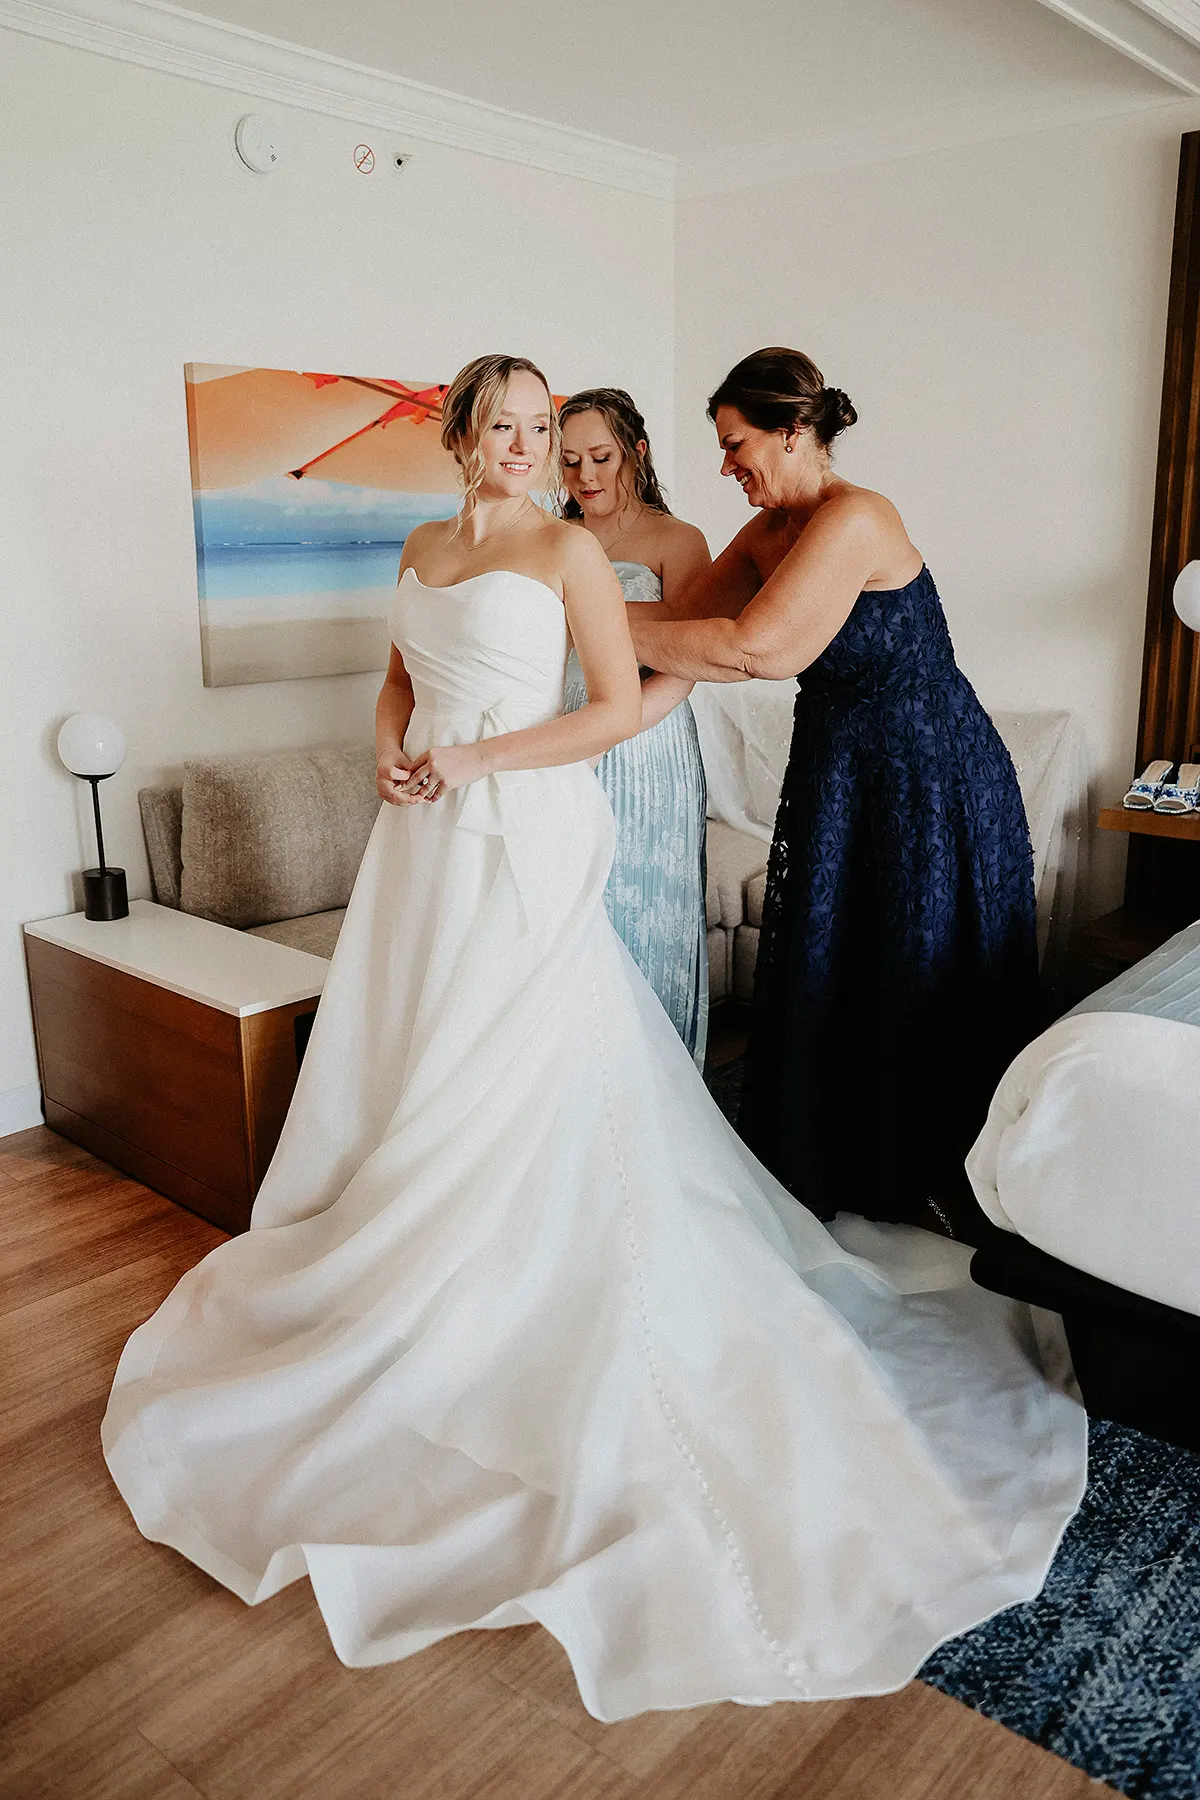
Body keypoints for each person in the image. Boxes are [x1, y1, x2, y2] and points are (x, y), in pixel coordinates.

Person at [102, 353, 1083, 1725]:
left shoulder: (824, 521)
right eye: (512, 429)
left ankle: (912, 1178)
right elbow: (565, 650)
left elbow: (735, 653)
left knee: (891, 984)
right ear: (464, 434)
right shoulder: (488, 542)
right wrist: (433, 725)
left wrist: (571, 648)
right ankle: (521, 1231)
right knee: (748, 1003)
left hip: (895, 766)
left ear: (794, 428)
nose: (539, 451)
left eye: (735, 440)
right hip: (515, 819)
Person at [631, 347, 1041, 1239]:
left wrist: (586, 626)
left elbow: (755, 649)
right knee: (838, 960)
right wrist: (558, 603)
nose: (727, 466)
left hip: (929, 777)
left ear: (791, 431)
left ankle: (932, 1174)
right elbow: (680, 619)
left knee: (913, 966)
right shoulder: (767, 532)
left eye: (736, 444)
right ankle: (846, 1159)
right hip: (840, 775)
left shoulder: (857, 517)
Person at [560, 388, 711, 1063]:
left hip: (650, 744)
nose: (585, 476)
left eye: (601, 457)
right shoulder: (555, 539)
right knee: (576, 914)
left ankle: (658, 1079)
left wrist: (608, 733)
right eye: (569, 462)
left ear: (636, 452)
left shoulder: (677, 541)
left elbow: (687, 664)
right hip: (564, 740)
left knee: (643, 912)